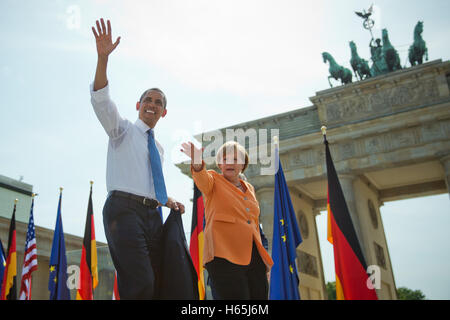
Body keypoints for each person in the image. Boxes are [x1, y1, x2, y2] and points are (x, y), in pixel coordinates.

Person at [90, 18, 185, 299]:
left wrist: (167, 199)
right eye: (148, 100)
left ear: (164, 113)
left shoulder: (160, 149)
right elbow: (101, 101)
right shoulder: (121, 131)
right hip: (124, 213)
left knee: (157, 282)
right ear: (138, 106)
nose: (152, 105)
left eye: (158, 102)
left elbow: (149, 183)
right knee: (140, 281)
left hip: (152, 215)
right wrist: (102, 59)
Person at [180, 141, 273, 300]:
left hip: (254, 258)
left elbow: (254, 224)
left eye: (236, 159)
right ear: (219, 164)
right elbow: (201, 178)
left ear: (243, 164)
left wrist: (265, 259)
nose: (230, 162)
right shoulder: (213, 181)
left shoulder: (249, 188)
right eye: (225, 158)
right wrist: (196, 161)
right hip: (223, 255)